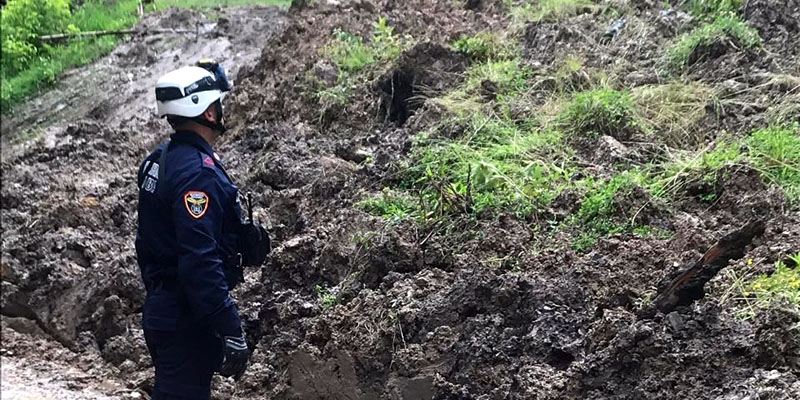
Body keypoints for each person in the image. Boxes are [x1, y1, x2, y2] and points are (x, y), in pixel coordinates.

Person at [135, 62, 269, 399]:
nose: (222, 109)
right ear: (208, 113)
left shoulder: (159, 159)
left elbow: (148, 241)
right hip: (185, 318)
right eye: (218, 103)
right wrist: (228, 325)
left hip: (164, 308)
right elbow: (199, 260)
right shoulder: (197, 174)